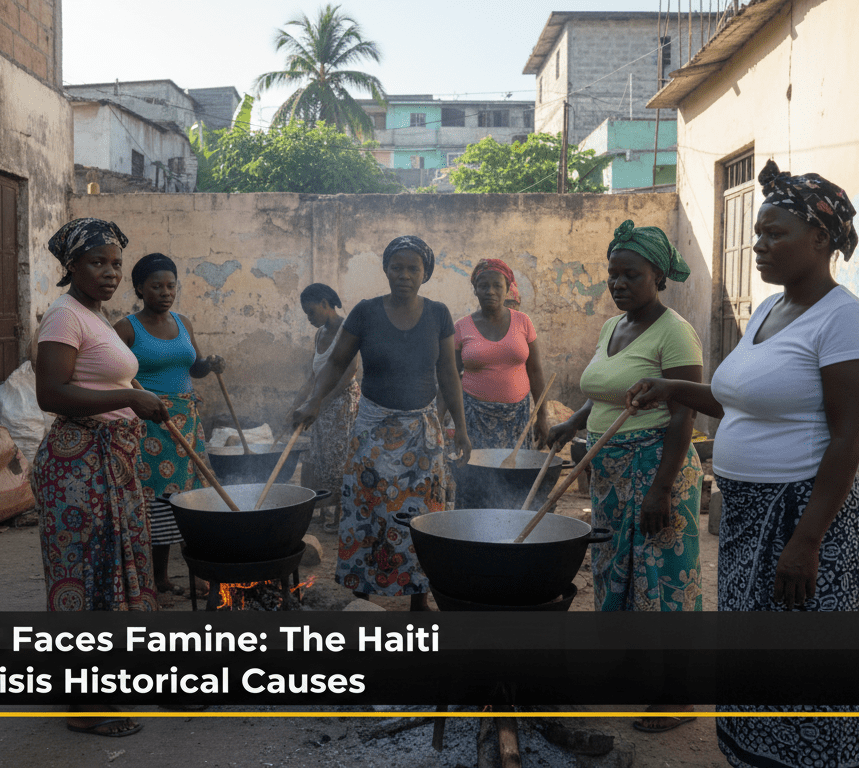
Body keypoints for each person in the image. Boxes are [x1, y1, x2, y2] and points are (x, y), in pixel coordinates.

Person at [627, 160, 859, 768]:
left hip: (803, 519)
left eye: (775, 234)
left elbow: (850, 440)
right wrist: (672, 389)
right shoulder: (770, 312)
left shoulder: (845, 319)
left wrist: (807, 541)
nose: (758, 245)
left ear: (820, 239)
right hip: (746, 518)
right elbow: (734, 398)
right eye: (758, 232)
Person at [546, 220, 705, 733]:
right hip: (610, 472)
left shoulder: (675, 332)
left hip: (658, 470)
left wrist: (660, 488)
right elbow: (605, 389)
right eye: (612, 275)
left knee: (664, 581)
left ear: (657, 276)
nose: (617, 284)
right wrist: (572, 422)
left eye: (629, 275)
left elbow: (684, 414)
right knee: (619, 574)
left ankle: (677, 695)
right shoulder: (611, 327)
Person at [32, 218, 170, 738]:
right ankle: (85, 705)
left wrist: (140, 399)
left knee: (107, 574)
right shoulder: (63, 317)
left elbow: (102, 378)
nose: (110, 272)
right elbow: (51, 394)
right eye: (97, 262)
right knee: (84, 580)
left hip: (107, 461)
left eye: (115, 262)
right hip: (79, 468)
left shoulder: (92, 314)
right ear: (71, 267)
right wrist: (131, 397)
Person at [293, 235, 472, 611]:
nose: (404, 275)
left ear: (425, 273)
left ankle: (417, 598)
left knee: (421, 516)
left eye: (413, 268)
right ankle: (362, 595)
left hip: (421, 434)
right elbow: (337, 362)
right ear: (386, 269)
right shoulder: (365, 312)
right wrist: (314, 400)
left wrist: (462, 429)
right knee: (367, 509)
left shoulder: (438, 314)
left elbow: (449, 375)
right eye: (397, 267)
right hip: (372, 430)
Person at [114, 253, 225, 597]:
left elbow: (195, 368)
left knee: (191, 498)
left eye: (171, 285)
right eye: (156, 286)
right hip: (150, 425)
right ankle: (156, 579)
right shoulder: (126, 328)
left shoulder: (184, 323)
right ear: (139, 289)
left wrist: (211, 364)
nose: (165, 292)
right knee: (159, 502)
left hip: (187, 421)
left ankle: (197, 573)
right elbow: (115, 376)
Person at [288, 283, 360, 532]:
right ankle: (322, 509)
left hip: (341, 402)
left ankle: (340, 513)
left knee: (337, 458)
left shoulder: (346, 329)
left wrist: (319, 403)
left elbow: (349, 371)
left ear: (325, 304)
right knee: (317, 456)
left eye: (311, 312)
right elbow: (313, 376)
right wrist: (298, 403)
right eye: (306, 314)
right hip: (319, 404)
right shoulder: (320, 334)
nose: (309, 318)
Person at [454, 259, 548, 449]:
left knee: (514, 473)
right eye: (483, 286)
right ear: (475, 290)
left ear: (507, 289)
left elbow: (535, 371)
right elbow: (452, 377)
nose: (490, 291)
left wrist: (542, 416)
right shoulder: (461, 327)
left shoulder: (523, 322)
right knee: (477, 473)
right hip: (474, 417)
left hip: (518, 417)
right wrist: (456, 424)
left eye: (497, 285)